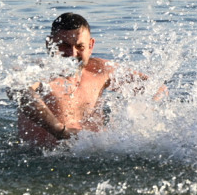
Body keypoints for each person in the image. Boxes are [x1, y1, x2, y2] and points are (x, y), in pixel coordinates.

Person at [10, 12, 157, 149]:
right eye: (64, 45)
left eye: (79, 46)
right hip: (43, 158)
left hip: (95, 154)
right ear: (49, 44)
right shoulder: (37, 71)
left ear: (90, 45)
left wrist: (134, 118)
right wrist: (60, 131)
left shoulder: (101, 70)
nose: (72, 53)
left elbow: (156, 88)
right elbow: (17, 90)